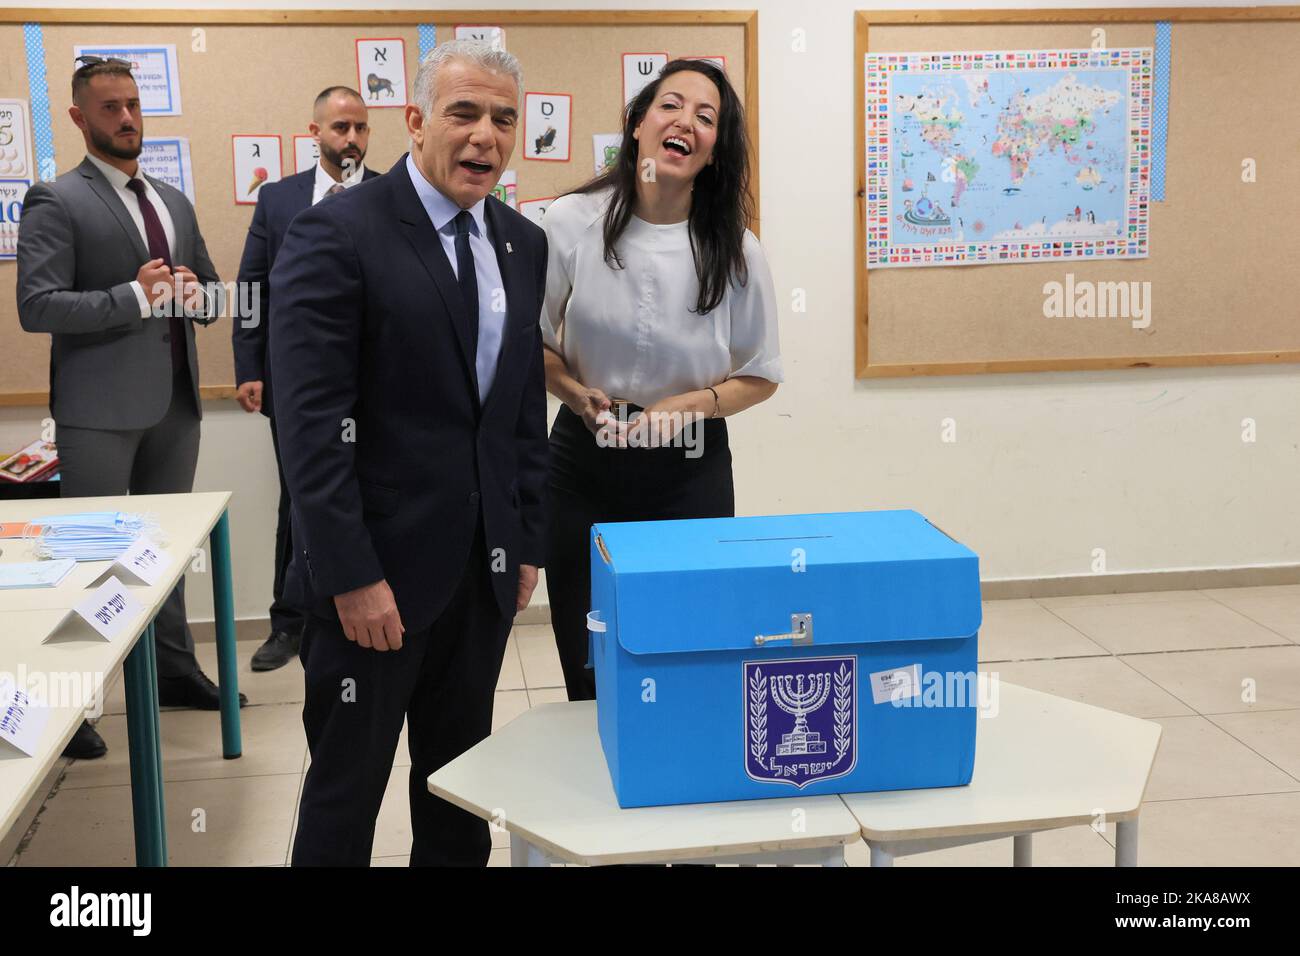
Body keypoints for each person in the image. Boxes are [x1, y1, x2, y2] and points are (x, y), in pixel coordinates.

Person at [271, 40, 548, 866]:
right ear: (417, 120)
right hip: (372, 588)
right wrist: (351, 574)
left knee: (460, 790)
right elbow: (311, 430)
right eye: (464, 113)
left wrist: (527, 535)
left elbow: (517, 407)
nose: (485, 137)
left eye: (503, 119)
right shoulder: (337, 234)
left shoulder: (519, 244)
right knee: (346, 793)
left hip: (480, 577)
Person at [17, 56, 245, 760]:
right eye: (110, 107)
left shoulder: (172, 200)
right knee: (92, 564)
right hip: (97, 413)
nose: (126, 118)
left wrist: (193, 294)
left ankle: (174, 671)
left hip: (176, 404)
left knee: (165, 554)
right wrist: (134, 296)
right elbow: (37, 306)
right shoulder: (56, 199)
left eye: (133, 105)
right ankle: (72, 705)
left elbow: (209, 292)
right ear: (81, 119)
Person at [541, 59, 782, 701]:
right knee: (587, 650)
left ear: (713, 151)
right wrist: (575, 392)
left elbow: (760, 376)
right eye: (671, 106)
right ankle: (591, 778)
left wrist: (693, 404)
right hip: (582, 461)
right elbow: (531, 345)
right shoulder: (570, 222)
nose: (686, 123)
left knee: (686, 645)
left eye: (707, 118)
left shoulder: (737, 250)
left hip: (689, 468)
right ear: (639, 124)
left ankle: (675, 773)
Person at [232, 86, 379, 673]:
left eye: (362, 128)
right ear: (314, 131)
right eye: (341, 127)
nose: (352, 139)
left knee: (373, 494)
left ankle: (366, 604)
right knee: (300, 498)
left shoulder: (393, 195)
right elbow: (250, 289)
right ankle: (288, 622)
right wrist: (248, 368)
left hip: (376, 388)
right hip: (297, 387)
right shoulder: (280, 198)